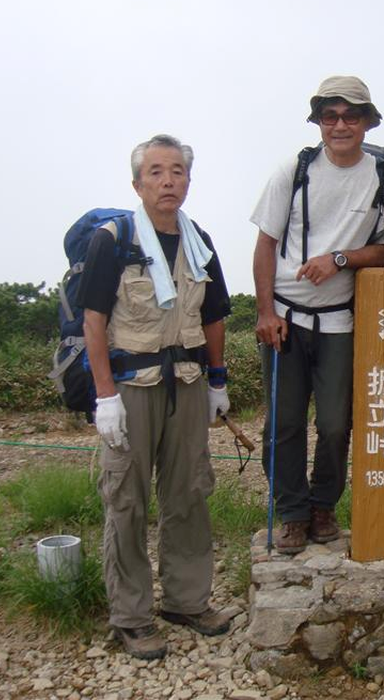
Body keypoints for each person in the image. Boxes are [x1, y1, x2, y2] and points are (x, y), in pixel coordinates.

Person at [81, 134, 234, 660]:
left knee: (190, 491)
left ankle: (187, 600)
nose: (168, 181)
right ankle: (131, 615)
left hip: (188, 383)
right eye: (156, 172)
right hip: (130, 386)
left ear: (188, 181)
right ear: (137, 183)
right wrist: (105, 397)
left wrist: (218, 381)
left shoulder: (199, 240)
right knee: (126, 499)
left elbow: (212, 316)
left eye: (178, 172)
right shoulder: (113, 239)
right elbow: (94, 322)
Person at [250, 76, 384, 554]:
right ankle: (293, 513)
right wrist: (265, 311)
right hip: (287, 317)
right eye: (330, 116)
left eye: (350, 115)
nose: (340, 125)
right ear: (318, 122)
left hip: (340, 318)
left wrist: (338, 259)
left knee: (337, 423)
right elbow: (266, 244)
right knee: (285, 422)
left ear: (366, 122)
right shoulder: (293, 173)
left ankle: (324, 508)